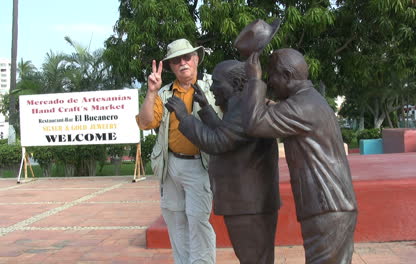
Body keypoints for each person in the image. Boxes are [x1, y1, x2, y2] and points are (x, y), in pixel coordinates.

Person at [242, 49, 358, 264]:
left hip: (327, 207)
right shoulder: (309, 101)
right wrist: (265, 102)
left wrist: (253, 81)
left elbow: (254, 124)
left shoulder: (301, 106)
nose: (270, 81)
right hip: (333, 207)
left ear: (286, 76)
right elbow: (278, 112)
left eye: (272, 76)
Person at [165, 60, 280, 264]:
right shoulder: (243, 106)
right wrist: (206, 107)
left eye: (217, 82)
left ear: (235, 84)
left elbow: (218, 142)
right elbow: (228, 135)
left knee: (253, 258)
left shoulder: (245, 108)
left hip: (248, 203)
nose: (211, 87)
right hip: (250, 202)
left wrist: (184, 116)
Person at [136, 38, 220, 264]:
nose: (182, 63)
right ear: (171, 66)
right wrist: (151, 91)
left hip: (200, 164)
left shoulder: (214, 86)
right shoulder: (163, 93)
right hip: (170, 165)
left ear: (196, 59)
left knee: (198, 220)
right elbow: (145, 123)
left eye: (187, 57)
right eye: (176, 60)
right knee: (175, 219)